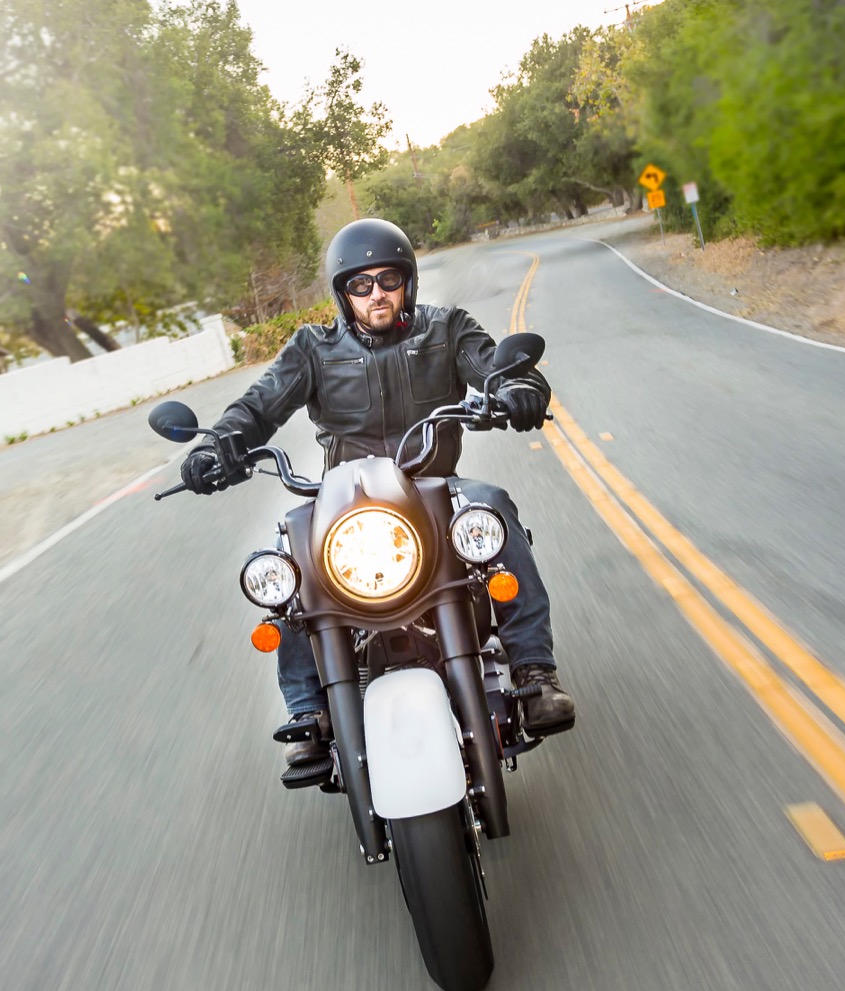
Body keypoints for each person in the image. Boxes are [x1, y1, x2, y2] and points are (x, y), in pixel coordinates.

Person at [178, 218, 576, 777]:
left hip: (433, 488)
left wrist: (519, 390)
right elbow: (258, 406)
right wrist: (217, 447)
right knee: (289, 549)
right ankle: (308, 708)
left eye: (388, 279)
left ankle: (535, 671)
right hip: (347, 502)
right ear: (343, 295)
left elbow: (496, 369)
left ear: (407, 282)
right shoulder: (312, 349)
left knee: (491, 506)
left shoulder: (447, 330)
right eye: (360, 286)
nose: (376, 295)